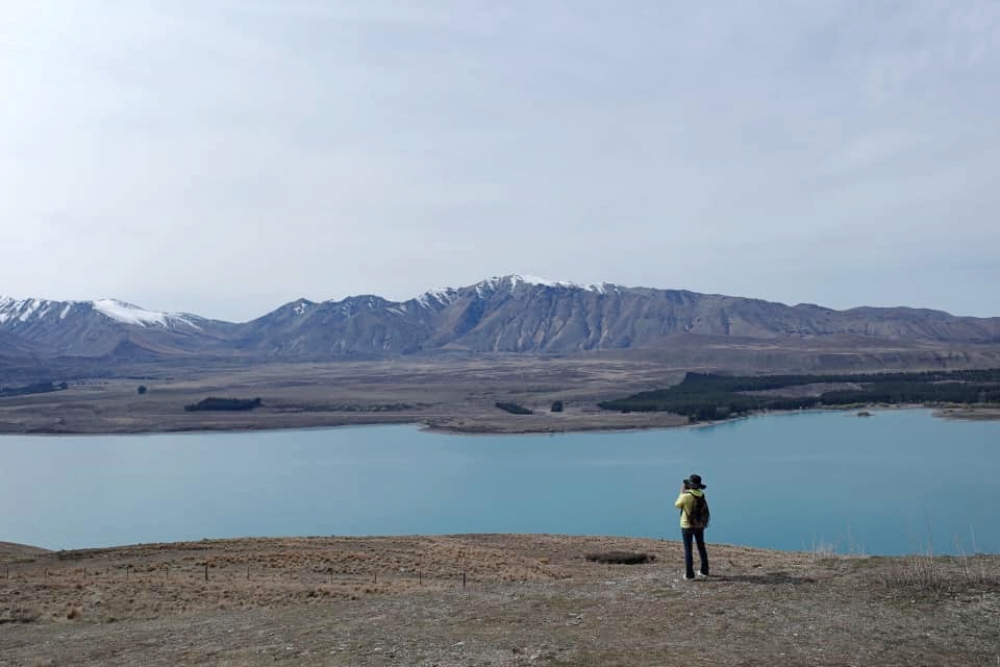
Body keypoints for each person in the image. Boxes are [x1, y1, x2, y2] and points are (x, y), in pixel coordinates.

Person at [674, 473, 709, 580]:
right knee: (701, 546)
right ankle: (704, 570)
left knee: (688, 549)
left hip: (687, 525)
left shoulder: (686, 496)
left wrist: (681, 492)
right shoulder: (701, 494)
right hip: (699, 524)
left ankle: (690, 574)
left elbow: (677, 505)